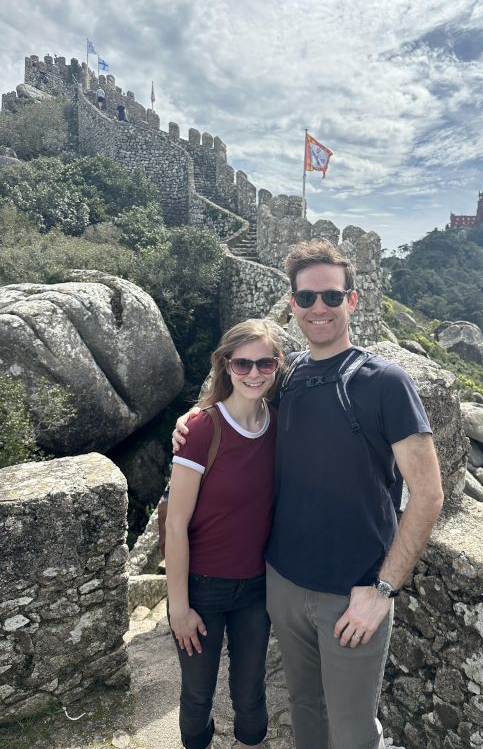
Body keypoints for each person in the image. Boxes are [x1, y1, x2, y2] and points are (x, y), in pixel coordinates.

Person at [173, 239, 444, 749]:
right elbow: (238, 399)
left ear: (353, 301)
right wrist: (191, 420)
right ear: (292, 304)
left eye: (332, 297)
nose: (319, 309)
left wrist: (383, 591)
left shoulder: (384, 382)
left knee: (352, 732)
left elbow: (428, 495)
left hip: (353, 594)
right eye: (307, 298)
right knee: (304, 711)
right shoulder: (286, 373)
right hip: (283, 585)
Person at [166, 318, 283, 749]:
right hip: (202, 589)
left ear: (277, 365)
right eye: (243, 364)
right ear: (225, 365)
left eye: (265, 363)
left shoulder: (281, 423)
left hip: (257, 589)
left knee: (251, 693)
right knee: (197, 695)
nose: (254, 373)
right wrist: (179, 608)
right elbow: (176, 525)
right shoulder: (200, 430)